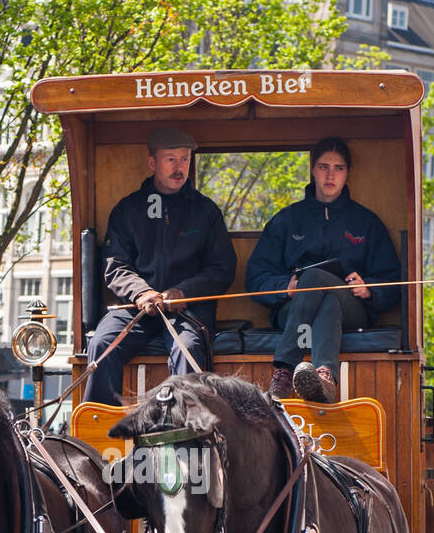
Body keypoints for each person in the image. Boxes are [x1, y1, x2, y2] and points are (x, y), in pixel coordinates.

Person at [83, 126, 236, 404]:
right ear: (152, 162)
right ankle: (99, 433)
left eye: (185, 159)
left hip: (188, 310)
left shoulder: (206, 211)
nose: (180, 167)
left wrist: (184, 291)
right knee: (102, 344)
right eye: (171, 159)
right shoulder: (127, 210)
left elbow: (221, 268)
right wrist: (141, 293)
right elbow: (115, 265)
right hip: (134, 309)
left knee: (187, 348)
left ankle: (185, 434)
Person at [246, 136, 402, 403]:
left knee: (317, 278)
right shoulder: (287, 220)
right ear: (313, 170)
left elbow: (393, 282)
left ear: (347, 173)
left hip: (354, 309)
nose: (331, 174)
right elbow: (255, 278)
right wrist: (285, 287)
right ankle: (325, 377)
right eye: (323, 166)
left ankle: (283, 369)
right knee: (326, 299)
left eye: (338, 168)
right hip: (292, 310)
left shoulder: (366, 222)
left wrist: (369, 289)